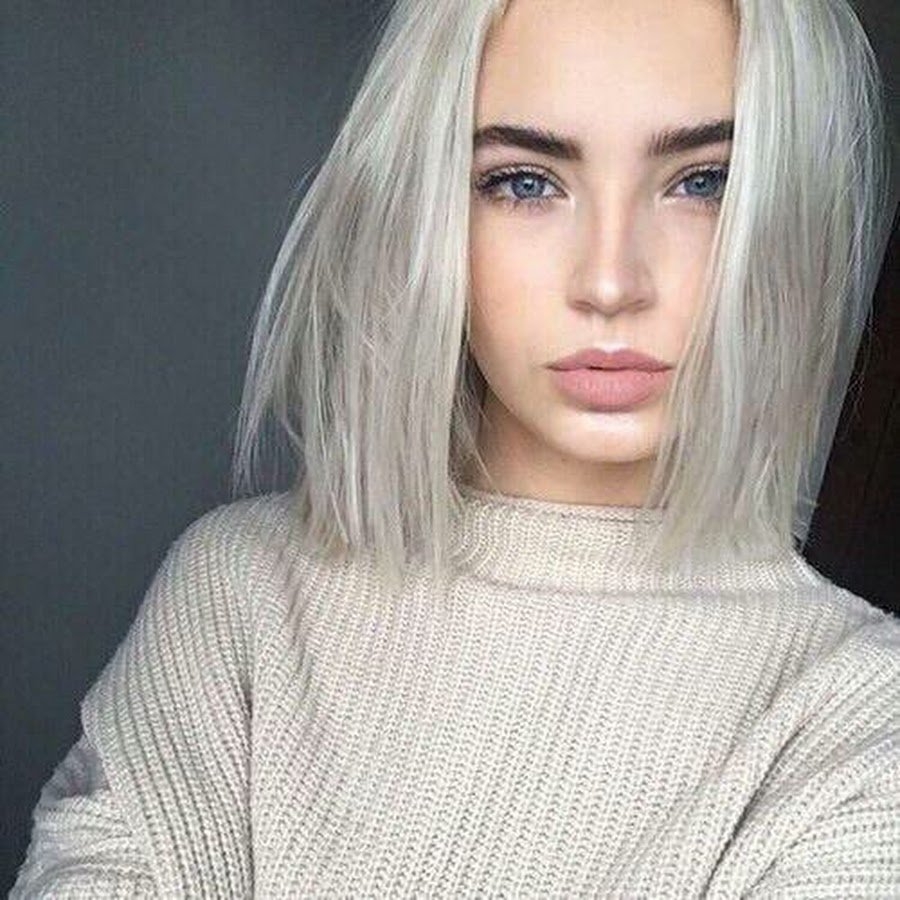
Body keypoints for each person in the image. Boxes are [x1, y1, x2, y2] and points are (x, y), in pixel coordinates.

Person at [12, 0, 899, 895]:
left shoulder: (858, 710)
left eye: (703, 182)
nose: (610, 282)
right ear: (426, 204)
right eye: (525, 182)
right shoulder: (240, 597)